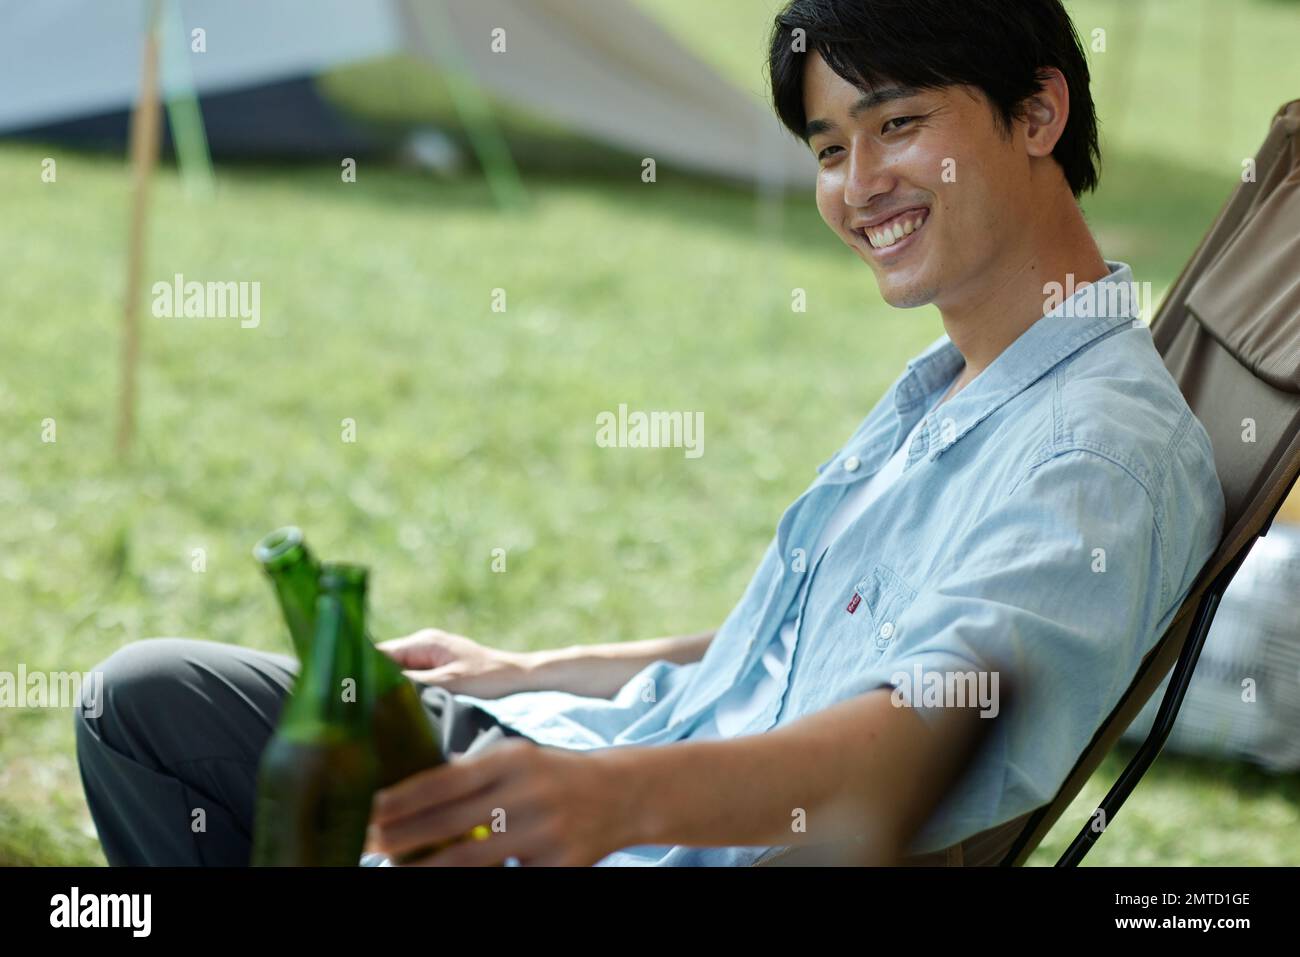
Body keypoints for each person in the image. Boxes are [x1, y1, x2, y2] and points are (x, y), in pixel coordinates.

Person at [75, 0, 1224, 867]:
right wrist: (529, 672)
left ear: (1038, 111)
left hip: (634, 826)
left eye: (899, 125)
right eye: (829, 149)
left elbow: (912, 738)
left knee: (149, 718)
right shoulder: (977, 382)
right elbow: (811, 651)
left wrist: (610, 801)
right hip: (601, 759)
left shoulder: (1092, 458)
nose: (858, 185)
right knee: (151, 700)